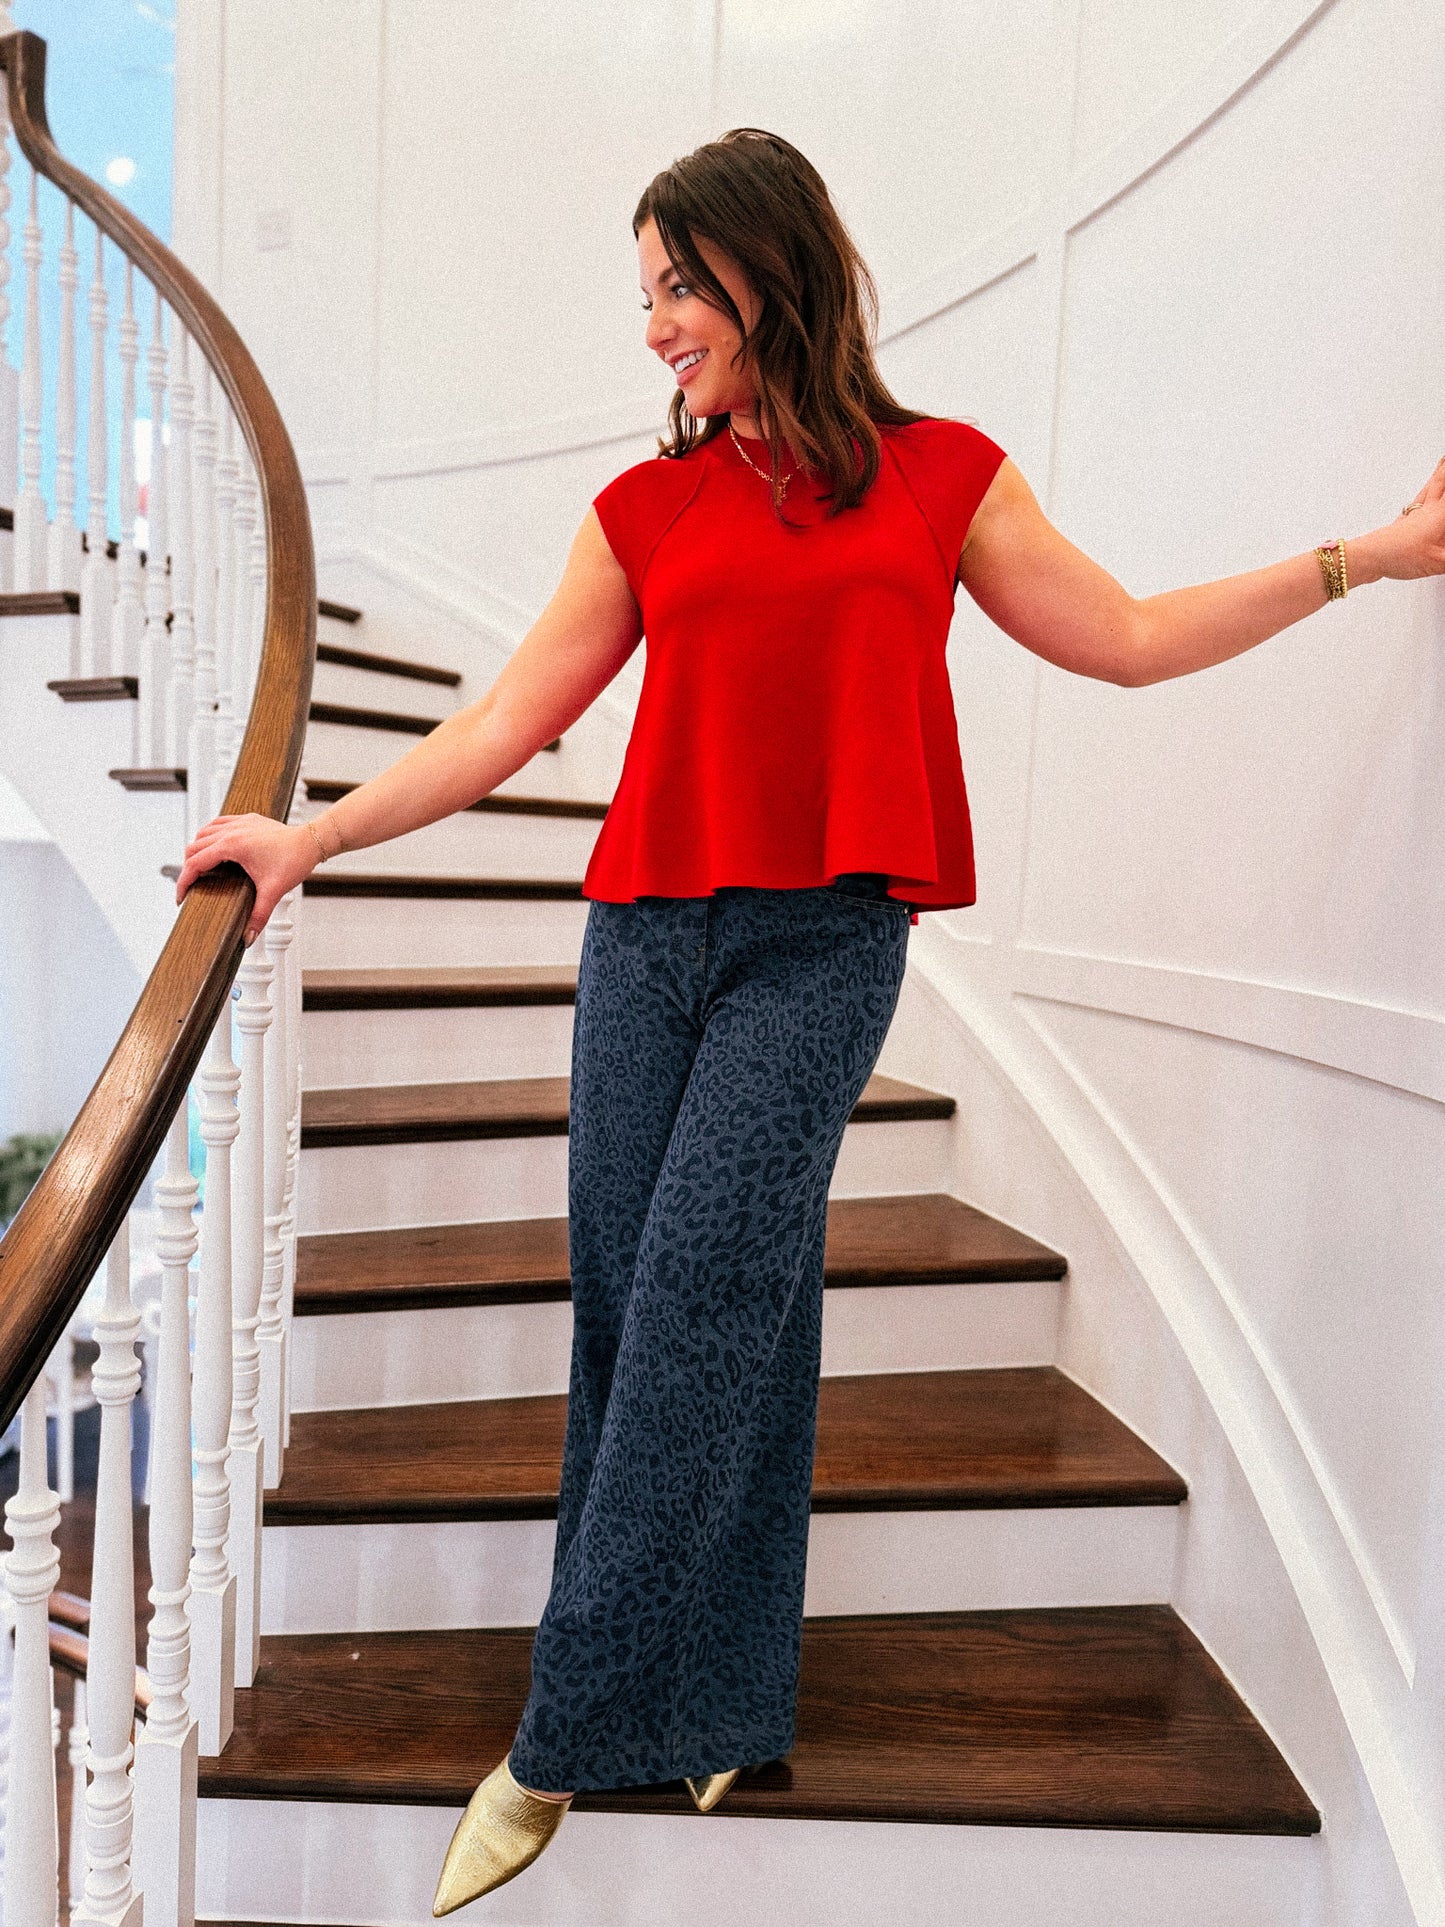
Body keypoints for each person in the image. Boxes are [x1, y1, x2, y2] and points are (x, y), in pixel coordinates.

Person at [175, 127, 1445, 1910]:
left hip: (823, 944)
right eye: (644, 298)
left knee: (707, 1291)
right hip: (644, 941)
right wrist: (309, 838)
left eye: (678, 287)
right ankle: (714, 1697)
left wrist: (1366, 556)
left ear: (773, 270)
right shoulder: (643, 512)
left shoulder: (940, 477)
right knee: (653, 1315)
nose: (654, 328)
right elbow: (503, 725)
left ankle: (558, 1735)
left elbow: (1128, 634)